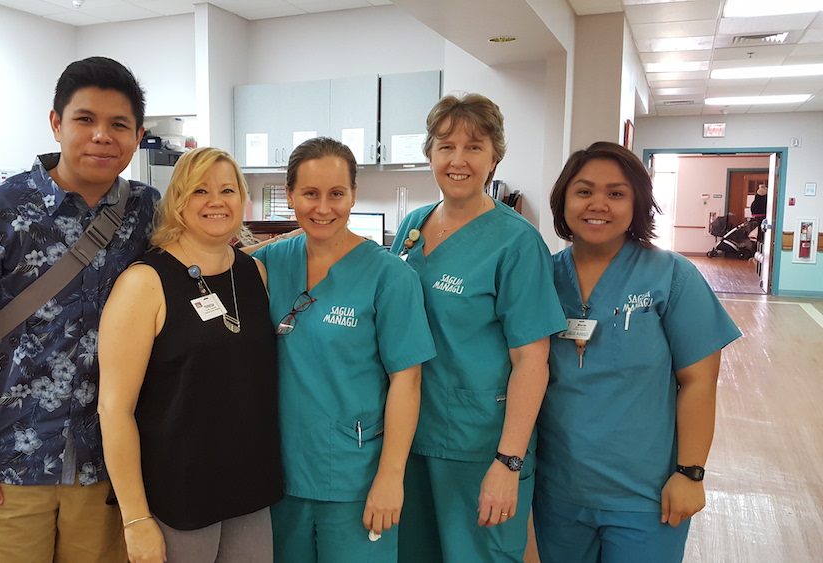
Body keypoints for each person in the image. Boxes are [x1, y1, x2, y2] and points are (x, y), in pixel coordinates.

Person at [0, 56, 160, 562]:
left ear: (138, 135)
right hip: (11, 462)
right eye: (85, 120)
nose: (102, 135)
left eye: (118, 124)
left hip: (107, 467)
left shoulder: (149, 212)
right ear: (56, 123)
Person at [534, 141, 742, 563]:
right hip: (557, 492)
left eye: (616, 193)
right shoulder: (540, 278)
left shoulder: (671, 276)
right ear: (563, 201)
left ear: (637, 204)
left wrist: (690, 473)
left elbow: (699, 382)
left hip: (646, 497)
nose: (599, 204)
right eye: (584, 190)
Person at [391, 93, 567, 562]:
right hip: (409, 433)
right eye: (446, 146)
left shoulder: (516, 243)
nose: (458, 160)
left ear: (495, 157)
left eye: (474, 146)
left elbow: (533, 359)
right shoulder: (411, 226)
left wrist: (508, 462)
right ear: (429, 154)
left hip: (480, 443)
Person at [253, 137, 436, 563]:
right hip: (277, 475)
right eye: (310, 194)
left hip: (355, 477)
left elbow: (407, 381)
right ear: (291, 194)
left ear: (353, 194)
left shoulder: (389, 277)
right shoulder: (267, 263)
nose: (323, 208)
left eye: (336, 194)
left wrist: (391, 477)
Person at [97, 147, 283, 562]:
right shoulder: (144, 283)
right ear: (178, 201)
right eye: (200, 190)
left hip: (249, 488)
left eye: (227, 190)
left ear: (242, 199)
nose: (216, 201)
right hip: (175, 497)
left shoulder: (254, 273)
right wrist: (135, 518)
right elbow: (114, 410)